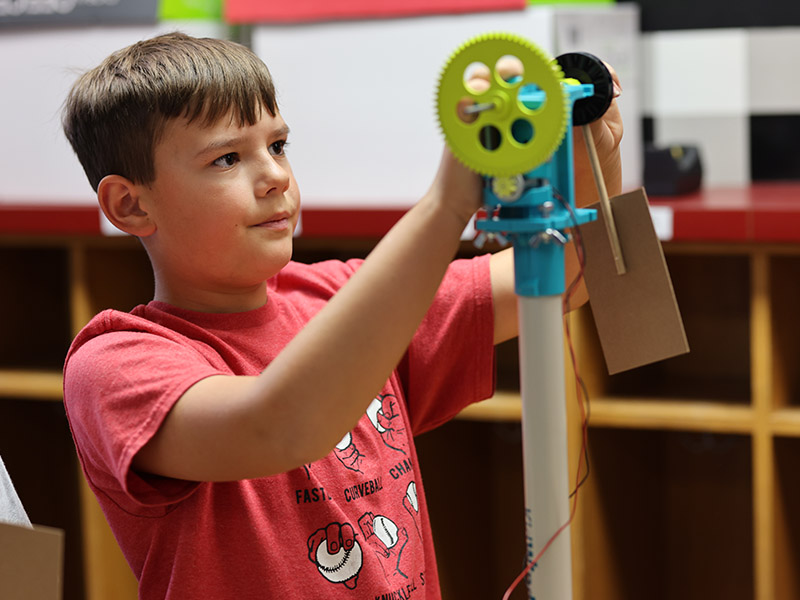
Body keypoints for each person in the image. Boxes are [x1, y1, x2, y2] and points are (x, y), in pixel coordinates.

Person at [61, 32, 622, 599]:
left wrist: (589, 147)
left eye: (278, 146)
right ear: (131, 205)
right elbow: (279, 427)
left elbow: (576, 265)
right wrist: (445, 207)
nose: (274, 176)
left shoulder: (343, 297)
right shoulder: (116, 364)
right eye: (227, 158)